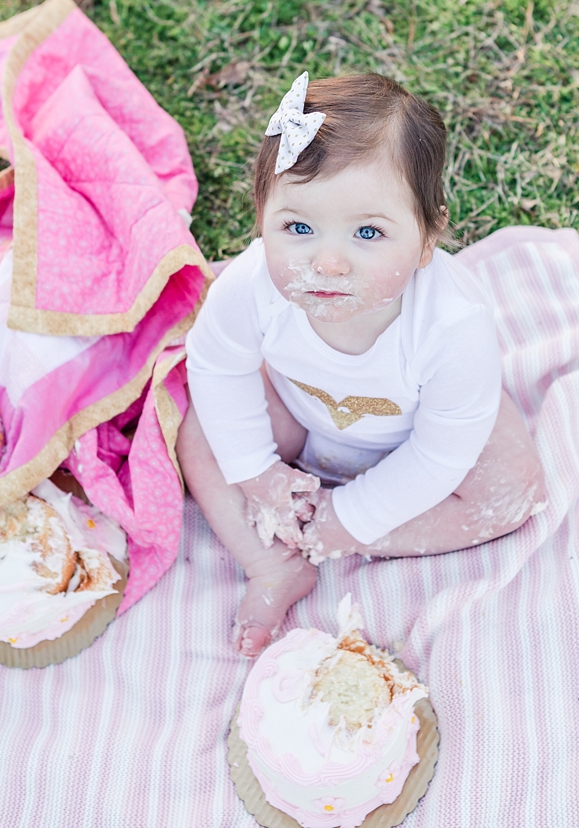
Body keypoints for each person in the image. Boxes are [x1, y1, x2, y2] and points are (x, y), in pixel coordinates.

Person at [177, 72, 544, 658]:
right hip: (302, 417)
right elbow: (219, 367)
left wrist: (346, 520)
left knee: (511, 490)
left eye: (368, 232)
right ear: (261, 219)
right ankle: (270, 562)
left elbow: (441, 455)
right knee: (199, 432)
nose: (327, 262)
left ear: (428, 239)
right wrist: (256, 473)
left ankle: (331, 539)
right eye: (298, 228)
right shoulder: (250, 286)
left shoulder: (453, 326)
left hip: (418, 441)